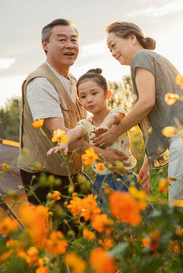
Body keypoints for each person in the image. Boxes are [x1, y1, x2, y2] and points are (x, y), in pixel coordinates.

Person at [92, 21, 183, 254]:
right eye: (109, 50)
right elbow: (159, 117)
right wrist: (147, 164)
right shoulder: (151, 58)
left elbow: (146, 102)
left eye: (114, 44)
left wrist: (114, 132)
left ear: (132, 38)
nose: (112, 52)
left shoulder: (141, 58)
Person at [17, 19, 128, 230]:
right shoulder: (41, 82)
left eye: (74, 40)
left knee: (96, 222)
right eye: (62, 39)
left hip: (71, 169)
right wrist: (102, 154)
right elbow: (59, 134)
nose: (70, 45)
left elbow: (84, 126)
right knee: (64, 236)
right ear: (45, 45)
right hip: (45, 174)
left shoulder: (73, 81)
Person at [47, 68, 152, 216]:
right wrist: (64, 142)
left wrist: (105, 126)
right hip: (102, 182)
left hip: (125, 178)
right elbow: (74, 132)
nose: (89, 99)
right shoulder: (85, 124)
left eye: (94, 93)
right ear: (79, 101)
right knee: (109, 224)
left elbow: (114, 118)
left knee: (137, 219)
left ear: (107, 94)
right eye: (83, 97)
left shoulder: (117, 112)